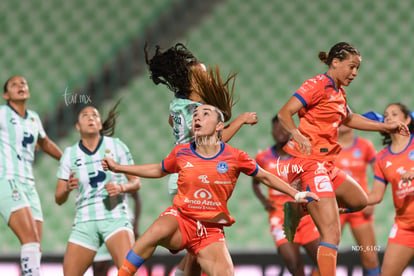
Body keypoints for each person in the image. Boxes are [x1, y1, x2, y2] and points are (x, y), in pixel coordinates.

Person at [102, 67, 319, 276]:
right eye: (195, 115)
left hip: (210, 230)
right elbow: (158, 169)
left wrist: (296, 193)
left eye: (205, 114)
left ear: (219, 127)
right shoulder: (182, 152)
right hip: (182, 219)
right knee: (154, 233)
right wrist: (118, 167)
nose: (197, 117)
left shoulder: (235, 156)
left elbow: (264, 176)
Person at [277, 42, 410, 276]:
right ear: (335, 62)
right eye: (351, 67)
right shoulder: (318, 84)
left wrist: (386, 126)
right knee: (332, 234)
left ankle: (300, 209)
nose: (355, 73)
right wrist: (297, 134)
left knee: (360, 201)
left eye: (358, 68)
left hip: (326, 166)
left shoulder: (338, 92)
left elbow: (349, 118)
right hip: (308, 164)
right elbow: (284, 112)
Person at [145, 43, 258, 275]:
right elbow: (220, 137)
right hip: (190, 177)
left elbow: (171, 122)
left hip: (183, 173)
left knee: (198, 244)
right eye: (203, 75)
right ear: (192, 82)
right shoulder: (196, 109)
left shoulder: (178, 104)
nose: (207, 78)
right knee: (203, 240)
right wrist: (241, 120)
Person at [55, 101, 141, 276]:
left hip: (115, 218)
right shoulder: (69, 154)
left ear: (100, 124)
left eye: (95, 115)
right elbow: (58, 198)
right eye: (85, 116)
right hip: (84, 221)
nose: (91, 118)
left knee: (129, 272)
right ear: (78, 126)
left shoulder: (117, 146)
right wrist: (67, 189)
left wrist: (121, 187)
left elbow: (136, 183)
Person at [0, 76, 62, 276]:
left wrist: (66, 160)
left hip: (29, 185)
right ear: (6, 95)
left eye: (24, 83)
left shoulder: (33, 117)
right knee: (30, 238)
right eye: (14, 85)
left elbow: (44, 142)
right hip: (8, 180)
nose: (20, 86)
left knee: (35, 246)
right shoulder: (2, 114)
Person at [252, 114, 320, 276]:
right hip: (280, 217)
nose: (280, 131)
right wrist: (264, 201)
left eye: (283, 127)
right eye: (276, 127)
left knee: (322, 259)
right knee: (293, 263)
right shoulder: (263, 158)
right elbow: (256, 183)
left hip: (305, 215)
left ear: (290, 131)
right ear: (271, 132)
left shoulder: (302, 154)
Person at [367, 103, 414, 276]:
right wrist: (347, 202)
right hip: (405, 227)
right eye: (386, 115)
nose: (388, 117)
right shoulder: (382, 157)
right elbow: (375, 196)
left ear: (407, 120)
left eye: (394, 114)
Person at [335, 125, 380, 275]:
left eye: (346, 119)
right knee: (324, 255)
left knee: (370, 256)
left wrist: (371, 199)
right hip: (335, 209)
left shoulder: (365, 145)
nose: (342, 123)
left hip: (361, 208)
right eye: (339, 120)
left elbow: (380, 173)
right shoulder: (329, 147)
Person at [92, 191, 141, 276]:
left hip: (121, 222)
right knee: (99, 267)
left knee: (126, 267)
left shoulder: (124, 177)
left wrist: (136, 224)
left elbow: (137, 198)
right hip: (99, 221)